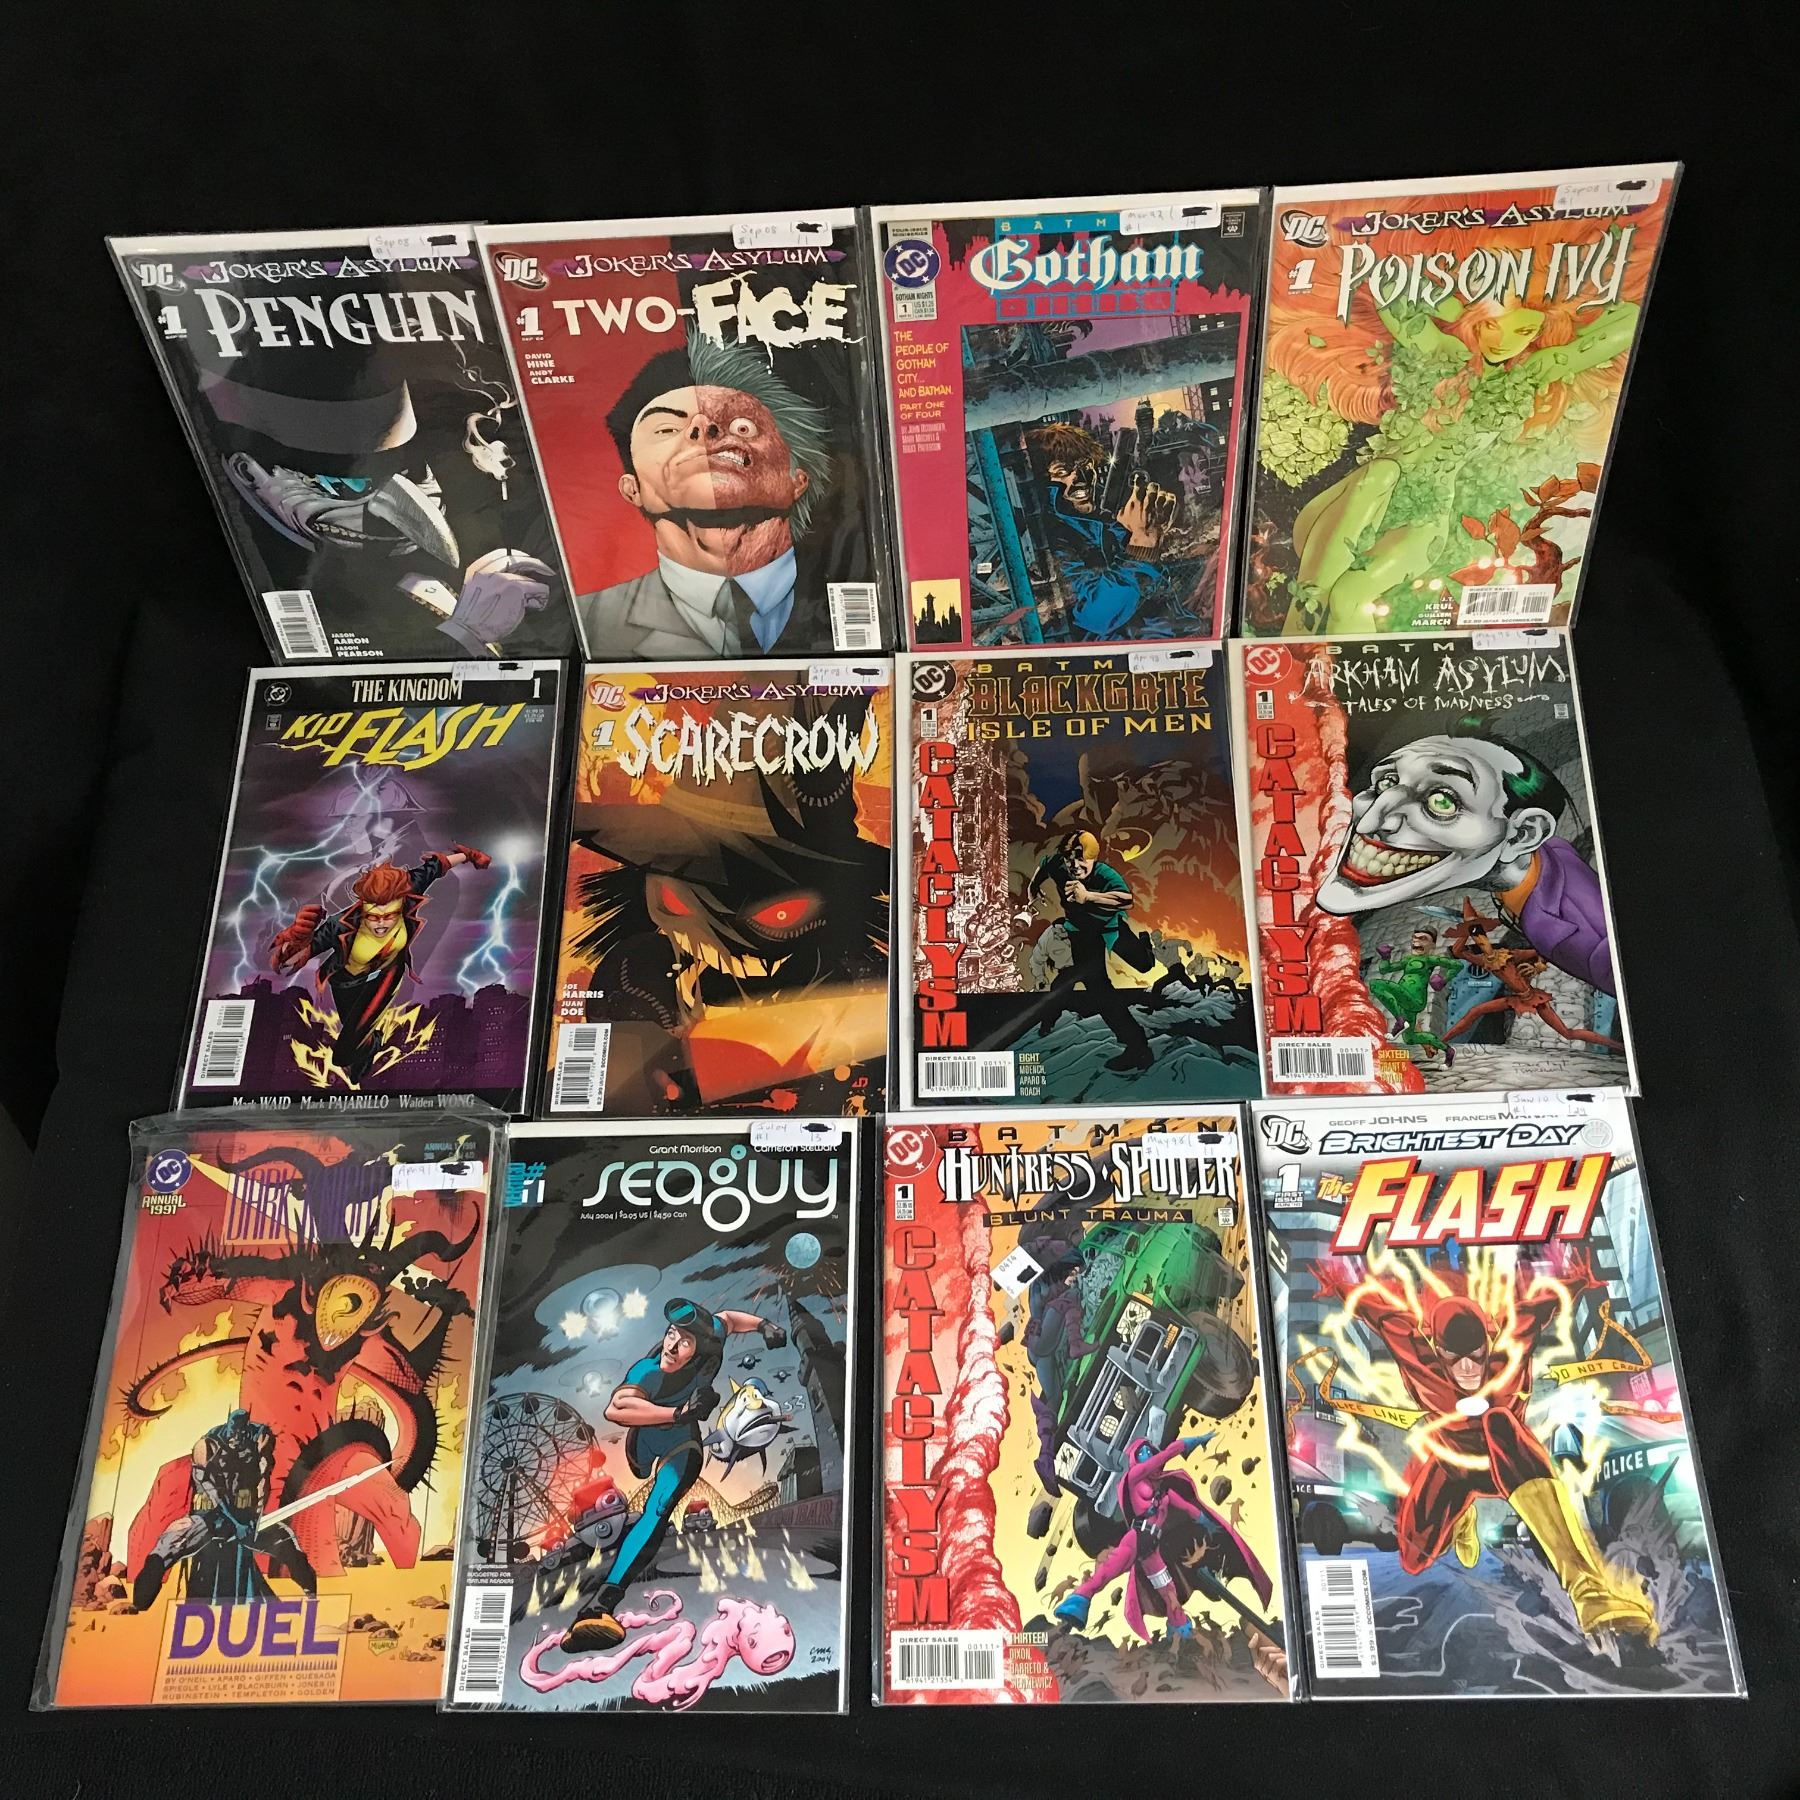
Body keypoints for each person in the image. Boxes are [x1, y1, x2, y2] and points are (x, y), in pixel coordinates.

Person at [1315, 1262, 1655, 1642]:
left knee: (1499, 1420)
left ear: (1488, 1344)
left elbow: (1540, 1306)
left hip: (1509, 1461)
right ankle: (1462, 1518)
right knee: (1413, 1559)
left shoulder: (1510, 1348)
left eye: (1475, 1354)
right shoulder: (1417, 1355)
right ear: (1437, 1349)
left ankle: (1588, 1590)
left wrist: (1578, 1280)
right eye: (1453, 1357)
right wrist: (1341, 1287)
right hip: (1452, 1467)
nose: (1466, 1368)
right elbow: (1381, 1315)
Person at [577, 334, 837, 657]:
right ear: (633, 488)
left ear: (796, 480)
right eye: (666, 429)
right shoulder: (586, 621)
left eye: (743, 426)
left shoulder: (865, 597)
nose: (703, 429)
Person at [1316, 726, 1614, 996]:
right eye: (1387, 782)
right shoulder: (1547, 857)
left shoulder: (1580, 939)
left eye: (1442, 801)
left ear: (1523, 834)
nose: (1368, 821)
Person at [561, 1298, 786, 1653]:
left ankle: (600, 1607)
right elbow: (616, 1408)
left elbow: (728, 1319)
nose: (671, 1345)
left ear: (700, 1346)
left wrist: (763, 1326)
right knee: (648, 1483)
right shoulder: (648, 1371)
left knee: (657, 1508)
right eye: (670, 1334)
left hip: (681, 1443)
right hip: (649, 1437)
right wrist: (679, 1412)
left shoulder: (714, 1335)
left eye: (684, 1342)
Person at [270, 846, 491, 1085]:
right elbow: (296, 957)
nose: (382, 924)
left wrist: (469, 856)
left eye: (390, 916)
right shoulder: (339, 925)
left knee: (341, 1055)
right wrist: (294, 940)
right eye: (374, 917)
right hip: (346, 984)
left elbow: (435, 867)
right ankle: (367, 1051)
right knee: (355, 1040)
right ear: (364, 908)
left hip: (386, 975)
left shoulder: (408, 892)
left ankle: (374, 1041)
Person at [132, 1408, 316, 1608]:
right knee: (168, 1544)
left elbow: (263, 1479)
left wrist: (253, 1519)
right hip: (209, 1516)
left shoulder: (260, 1437)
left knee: (285, 1539)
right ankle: (141, 1602)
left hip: (244, 1514)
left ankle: (312, 1591)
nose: (235, 1438)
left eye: (240, 1433)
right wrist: (237, 1523)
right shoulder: (206, 1446)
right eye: (232, 1433)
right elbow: (211, 1490)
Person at [1021, 830, 1153, 1072]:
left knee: (1144, 965)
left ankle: (1144, 945)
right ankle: (1138, 1048)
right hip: (1082, 934)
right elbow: (1045, 865)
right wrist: (1033, 888)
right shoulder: (1058, 865)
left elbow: (1126, 900)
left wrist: (1089, 896)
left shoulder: (1104, 873)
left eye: (1081, 859)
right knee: (1099, 988)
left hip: (1110, 927)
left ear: (1093, 857)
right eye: (1069, 859)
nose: (1074, 866)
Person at [1367, 927, 1462, 1065]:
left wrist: (1444, 980)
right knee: (1410, 1038)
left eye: (1423, 939)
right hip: (1404, 1001)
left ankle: (1400, 1021)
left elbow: (1457, 965)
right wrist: (1385, 957)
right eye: (1415, 938)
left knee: (1376, 984)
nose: (1417, 941)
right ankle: (1448, 1051)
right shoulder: (1408, 960)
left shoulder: (1430, 960)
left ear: (1432, 945)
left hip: (1415, 1000)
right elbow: (1385, 969)